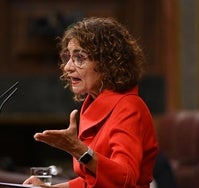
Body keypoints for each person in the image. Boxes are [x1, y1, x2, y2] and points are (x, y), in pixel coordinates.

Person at [23, 17, 158, 188]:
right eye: (68, 57)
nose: (67, 67)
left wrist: (78, 149)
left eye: (79, 58)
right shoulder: (93, 104)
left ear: (107, 63)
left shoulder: (128, 108)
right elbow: (94, 181)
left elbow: (125, 179)